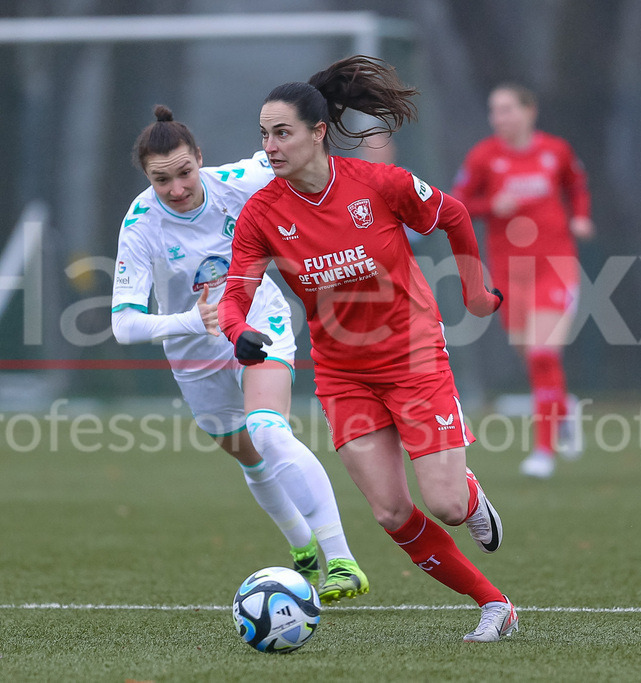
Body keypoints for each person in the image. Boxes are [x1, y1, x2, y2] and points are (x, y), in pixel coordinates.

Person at [218, 56, 518, 643]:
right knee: (388, 511)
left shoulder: (378, 184)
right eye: (264, 134)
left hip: (414, 357)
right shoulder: (262, 214)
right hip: (342, 373)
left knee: (448, 507)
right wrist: (238, 332)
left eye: (282, 133)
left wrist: (477, 294)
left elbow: (453, 215)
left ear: (317, 132)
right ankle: (494, 605)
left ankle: (469, 493)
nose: (270, 146)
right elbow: (235, 295)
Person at [110, 105, 369, 603]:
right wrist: (192, 321)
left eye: (185, 173)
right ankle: (302, 547)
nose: (178, 188)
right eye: (162, 180)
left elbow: (306, 161)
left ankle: (342, 561)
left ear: (200, 159)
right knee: (248, 457)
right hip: (192, 353)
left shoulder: (241, 180)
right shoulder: (141, 224)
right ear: (147, 178)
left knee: (268, 430)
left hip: (258, 322)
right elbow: (123, 324)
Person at [452, 83, 594, 479]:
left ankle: (544, 452)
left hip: (556, 265)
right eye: (494, 110)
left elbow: (575, 184)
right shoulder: (484, 157)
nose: (500, 118)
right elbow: (457, 201)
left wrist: (580, 216)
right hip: (510, 274)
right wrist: (488, 206)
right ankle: (564, 409)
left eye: (508, 109)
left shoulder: (555, 150)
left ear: (530, 111)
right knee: (532, 358)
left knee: (543, 354)